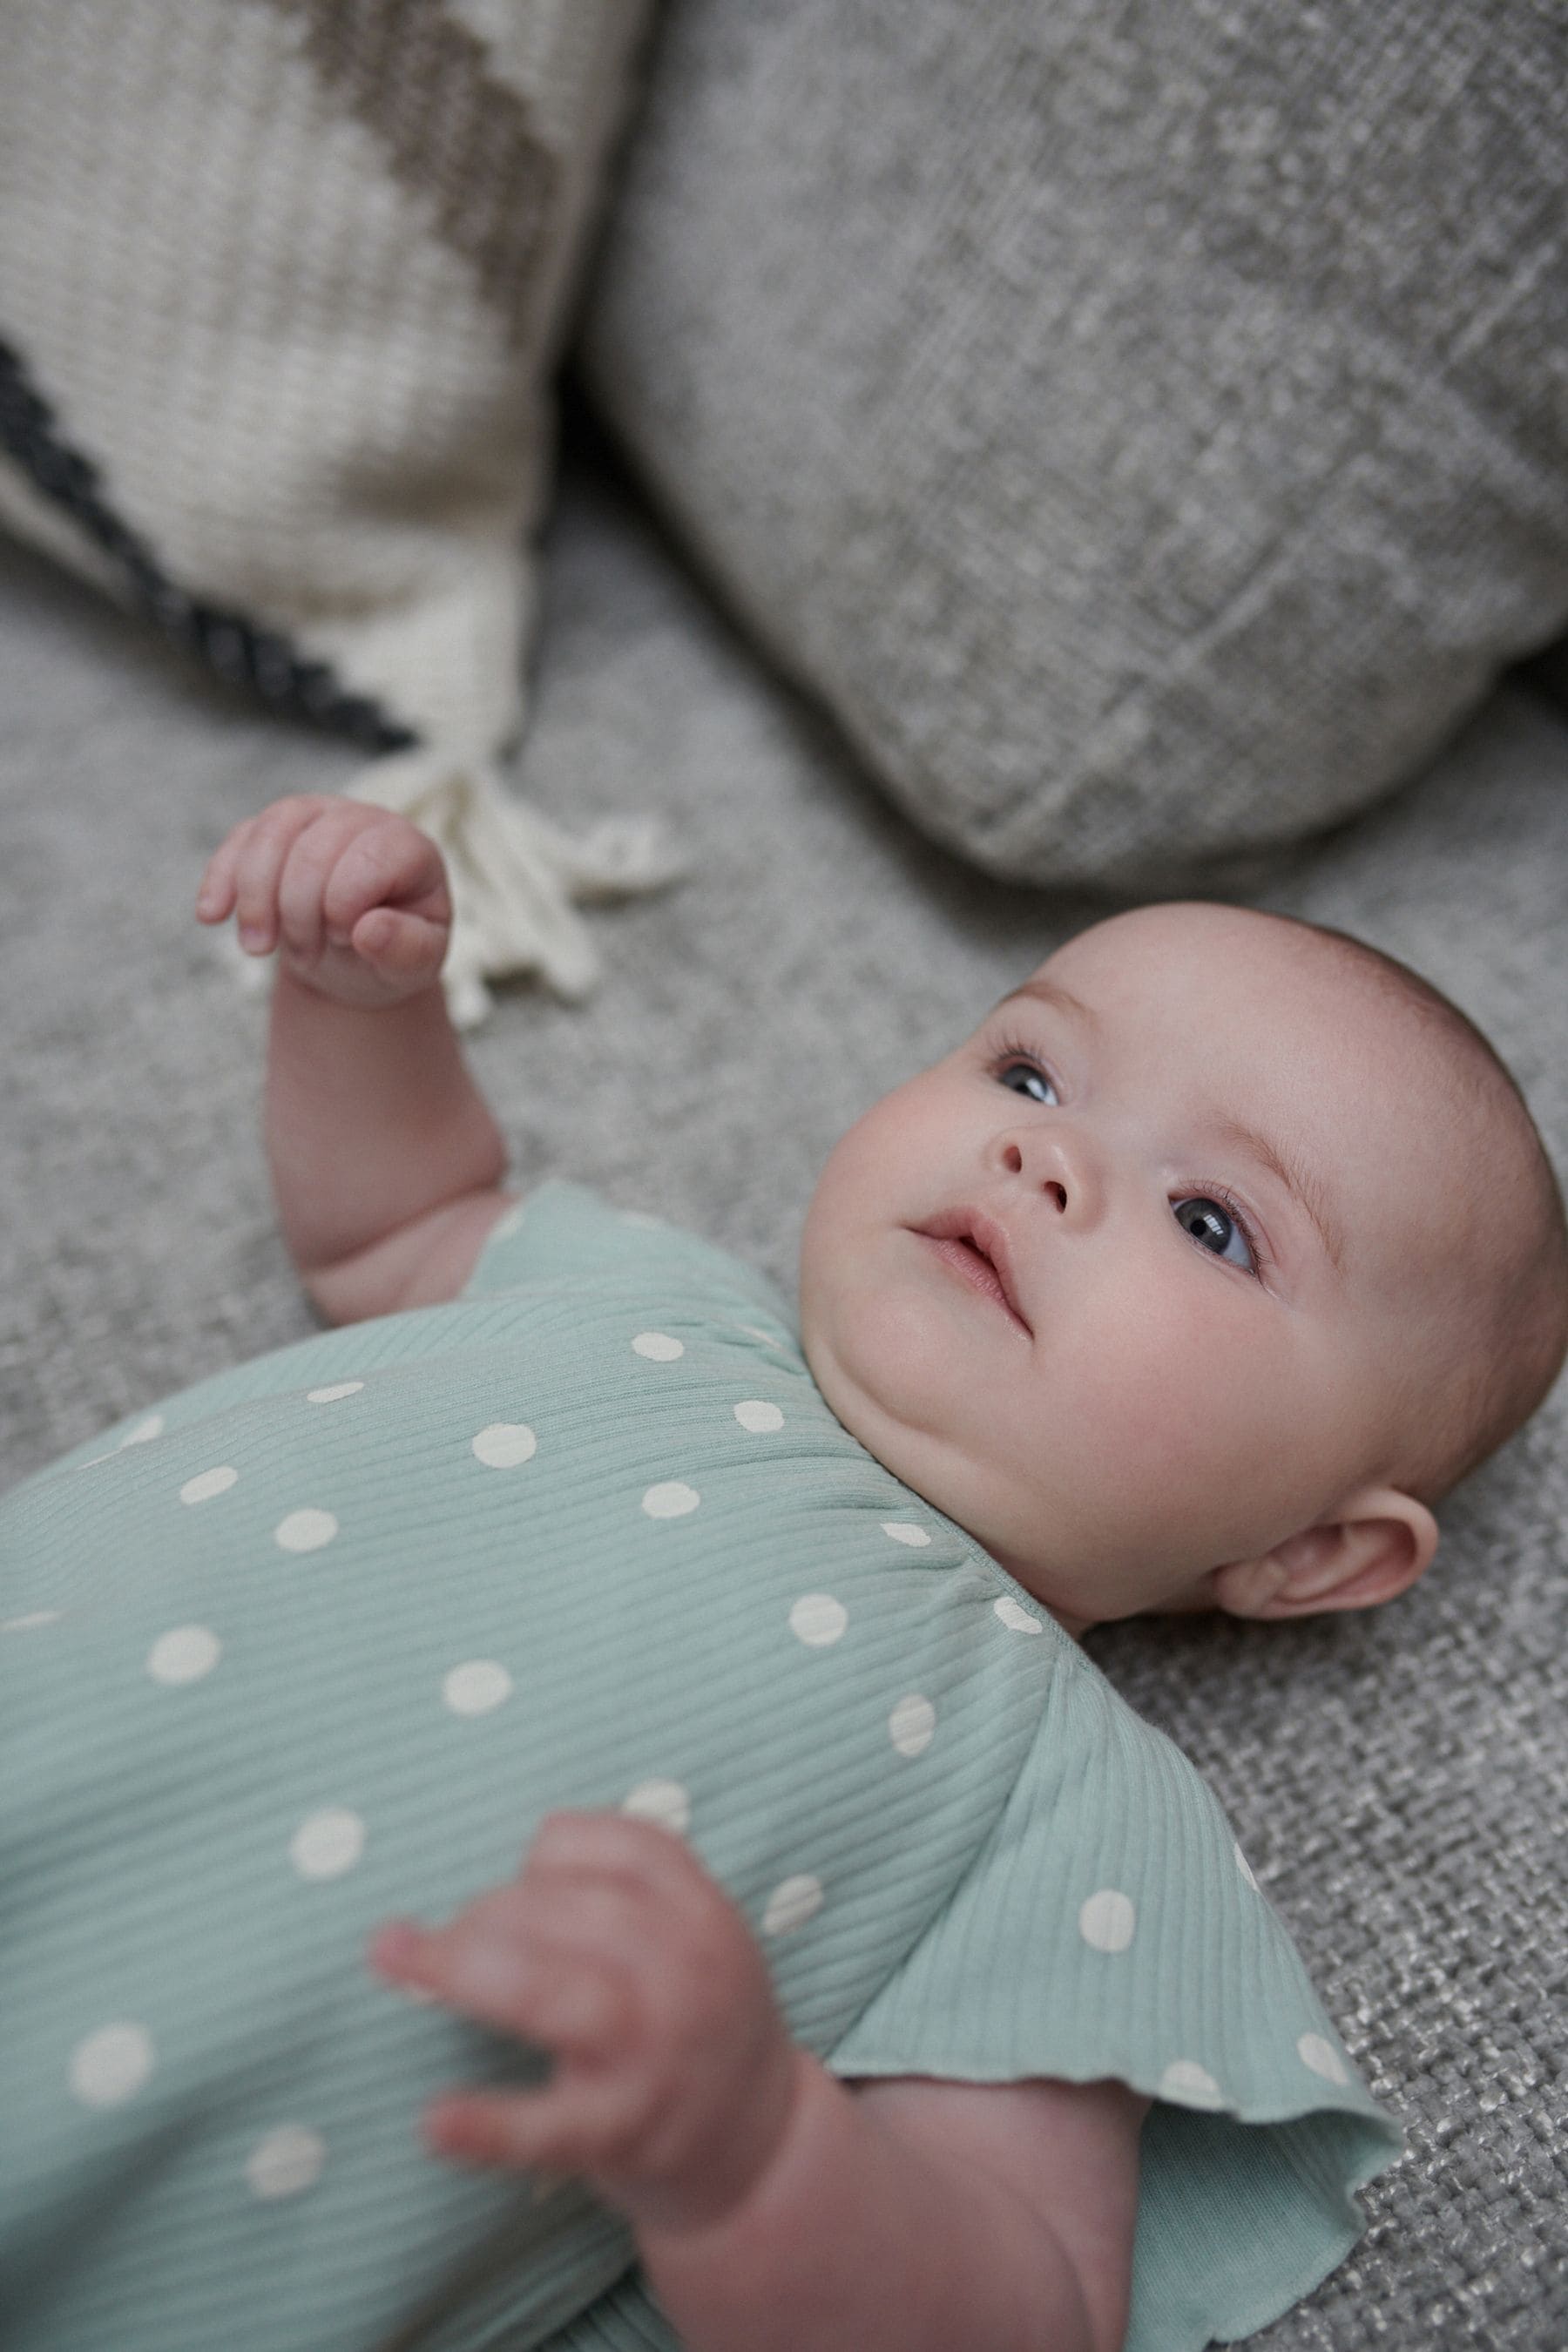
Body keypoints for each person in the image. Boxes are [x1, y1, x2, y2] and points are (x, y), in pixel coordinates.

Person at [3, 795, 1565, 2352]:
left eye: (1212, 1221)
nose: (1045, 1155)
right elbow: (394, 1226)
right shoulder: (652, 1294)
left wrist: (759, 2165)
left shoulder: (1070, 1812)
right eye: (1031, 1070)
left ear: (1311, 1553)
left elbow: (1030, 2307)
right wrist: (362, 1005)